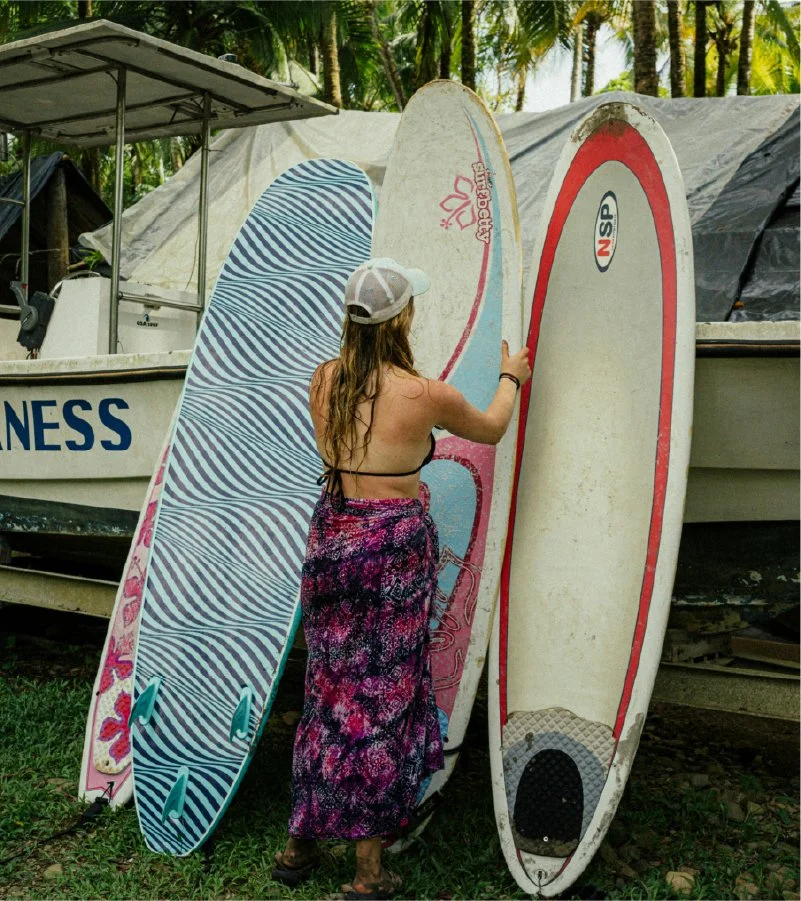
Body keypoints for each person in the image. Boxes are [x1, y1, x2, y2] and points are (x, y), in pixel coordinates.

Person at [273, 258, 532, 899]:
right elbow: (494, 428)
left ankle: (299, 845)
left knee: (329, 686)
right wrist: (511, 376)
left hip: (332, 534)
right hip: (390, 548)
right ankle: (367, 874)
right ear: (403, 318)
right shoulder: (422, 394)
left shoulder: (321, 380)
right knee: (380, 697)